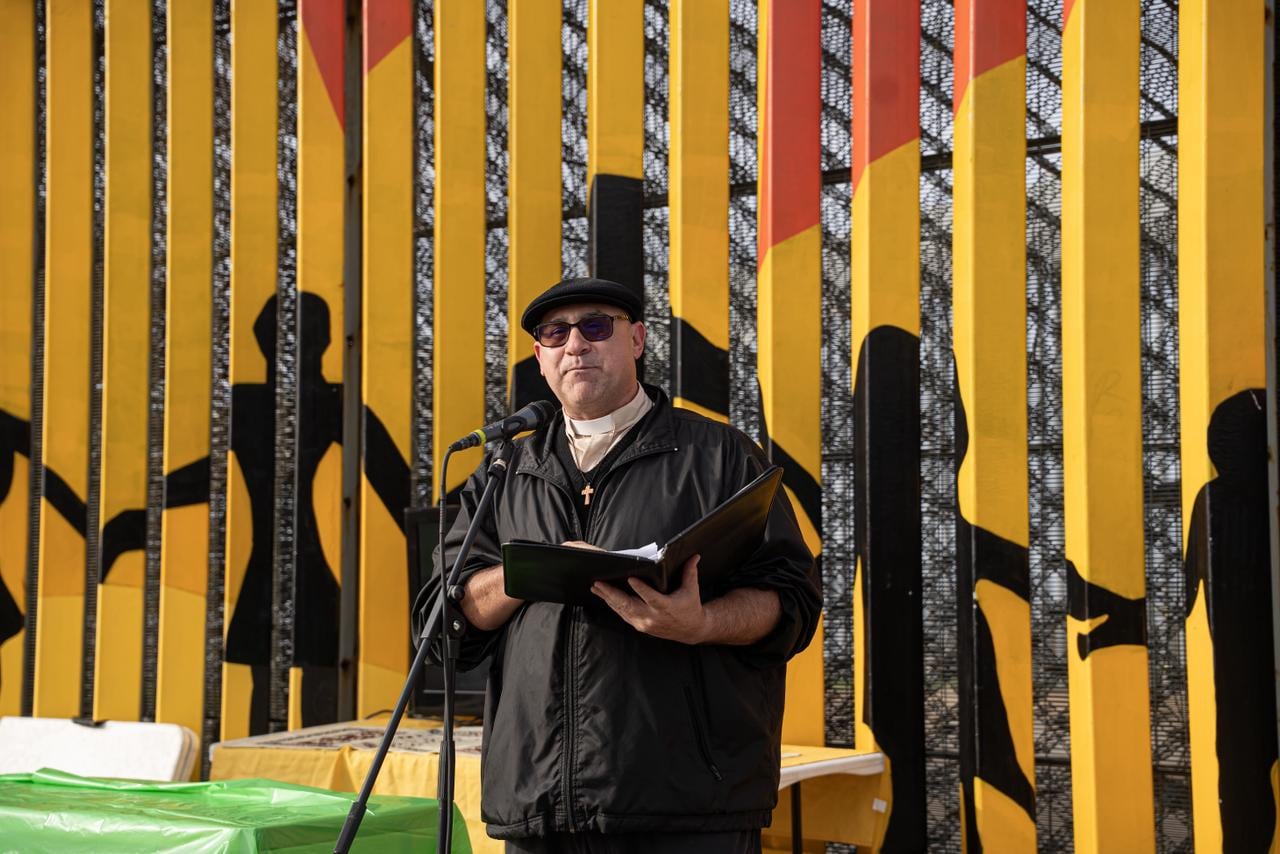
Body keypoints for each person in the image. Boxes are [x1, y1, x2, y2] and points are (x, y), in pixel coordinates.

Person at [436, 276, 822, 853]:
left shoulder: (720, 456)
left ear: (637, 340)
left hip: (687, 809)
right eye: (555, 332)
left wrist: (703, 623)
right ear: (540, 357)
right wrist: (531, 571)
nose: (575, 344)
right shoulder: (503, 471)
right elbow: (445, 622)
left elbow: (792, 601)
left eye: (596, 326)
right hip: (538, 809)